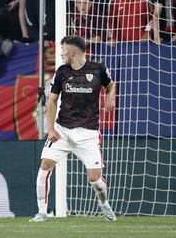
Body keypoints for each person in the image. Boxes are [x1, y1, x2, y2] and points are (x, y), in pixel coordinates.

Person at [30, 35, 117, 222]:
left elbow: (111, 85)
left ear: (71, 52)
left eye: (62, 50)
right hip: (63, 130)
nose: (61, 54)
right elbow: (52, 100)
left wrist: (110, 97)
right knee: (45, 165)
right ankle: (42, 212)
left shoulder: (98, 69)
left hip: (88, 133)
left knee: (95, 181)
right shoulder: (61, 72)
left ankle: (104, 205)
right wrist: (51, 129)